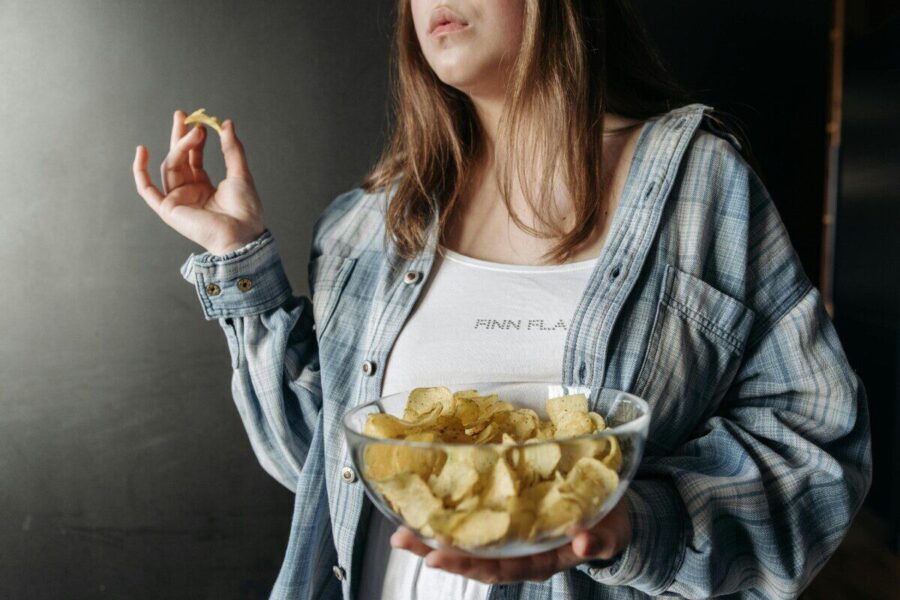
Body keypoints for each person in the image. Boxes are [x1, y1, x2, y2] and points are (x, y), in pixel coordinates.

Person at [131, 0, 872, 598]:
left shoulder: (699, 186)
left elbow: (817, 450)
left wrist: (632, 525)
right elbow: (318, 465)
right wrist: (237, 254)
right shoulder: (370, 222)